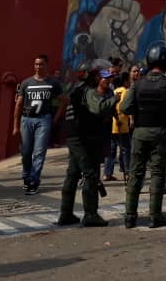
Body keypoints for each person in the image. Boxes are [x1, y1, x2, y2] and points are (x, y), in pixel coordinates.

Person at [120, 45, 166, 228]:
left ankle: (130, 216)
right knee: (157, 173)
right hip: (160, 132)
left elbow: (124, 107)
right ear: (165, 63)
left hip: (140, 132)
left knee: (135, 173)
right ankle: (155, 215)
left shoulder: (138, 83)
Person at [57, 64, 118, 227]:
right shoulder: (88, 92)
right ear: (93, 76)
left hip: (74, 136)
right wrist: (115, 99)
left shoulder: (77, 89)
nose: (102, 79)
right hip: (81, 138)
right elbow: (98, 108)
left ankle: (66, 213)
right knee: (90, 174)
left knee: (73, 173)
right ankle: (90, 214)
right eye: (99, 76)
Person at [12, 54, 65, 195]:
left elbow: (64, 101)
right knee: (26, 151)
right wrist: (15, 126)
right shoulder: (26, 83)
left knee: (39, 151)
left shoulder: (53, 83)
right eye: (36, 64)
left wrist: (55, 118)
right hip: (26, 119)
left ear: (46, 65)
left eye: (41, 64)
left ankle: (34, 180)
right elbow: (18, 104)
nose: (38, 67)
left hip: (43, 119)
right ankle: (26, 176)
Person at [104, 71, 132, 182]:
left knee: (111, 150)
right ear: (125, 81)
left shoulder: (114, 91)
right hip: (121, 123)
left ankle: (107, 173)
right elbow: (124, 107)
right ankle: (127, 172)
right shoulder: (125, 91)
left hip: (112, 124)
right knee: (125, 149)